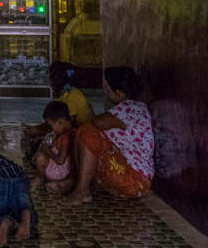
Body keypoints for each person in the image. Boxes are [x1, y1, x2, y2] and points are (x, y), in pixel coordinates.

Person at [66, 66, 154, 205]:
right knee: (82, 134)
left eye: (107, 88)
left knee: (86, 132)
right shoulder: (136, 107)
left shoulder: (130, 108)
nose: (105, 91)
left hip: (134, 179)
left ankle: (82, 190)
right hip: (135, 182)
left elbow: (98, 122)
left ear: (119, 93)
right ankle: (78, 184)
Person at [21, 61, 94, 158]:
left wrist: (39, 132)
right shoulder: (67, 94)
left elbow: (66, 130)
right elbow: (54, 121)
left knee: (39, 145)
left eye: (51, 80)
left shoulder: (73, 98)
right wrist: (36, 128)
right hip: (75, 134)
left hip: (81, 138)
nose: (50, 84)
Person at [31, 100, 74, 195]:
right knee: (37, 155)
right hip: (62, 169)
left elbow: (60, 161)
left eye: (51, 125)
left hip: (60, 171)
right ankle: (42, 177)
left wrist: (48, 151)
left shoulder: (65, 138)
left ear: (60, 122)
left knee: (39, 157)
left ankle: (43, 178)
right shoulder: (65, 133)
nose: (51, 129)